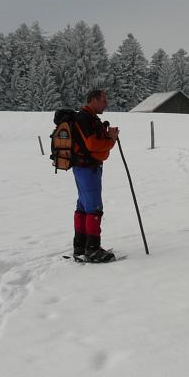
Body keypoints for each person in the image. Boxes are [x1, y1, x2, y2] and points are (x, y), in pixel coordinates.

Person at [71, 89, 120, 263]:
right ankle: (92, 249)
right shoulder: (84, 118)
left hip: (84, 167)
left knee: (84, 206)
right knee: (93, 207)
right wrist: (111, 140)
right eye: (103, 100)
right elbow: (92, 144)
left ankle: (81, 244)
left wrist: (108, 138)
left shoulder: (89, 118)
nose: (105, 103)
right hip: (87, 168)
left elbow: (91, 143)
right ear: (93, 100)